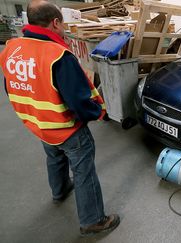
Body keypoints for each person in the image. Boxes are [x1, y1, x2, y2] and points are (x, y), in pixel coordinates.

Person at [0, 0, 120, 236]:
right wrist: (96, 114)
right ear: (55, 23)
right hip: (65, 126)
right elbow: (78, 101)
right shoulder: (57, 55)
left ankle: (60, 189)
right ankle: (93, 220)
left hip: (38, 123)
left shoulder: (11, 48)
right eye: (63, 24)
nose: (63, 29)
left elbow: (10, 86)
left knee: (54, 157)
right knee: (83, 170)